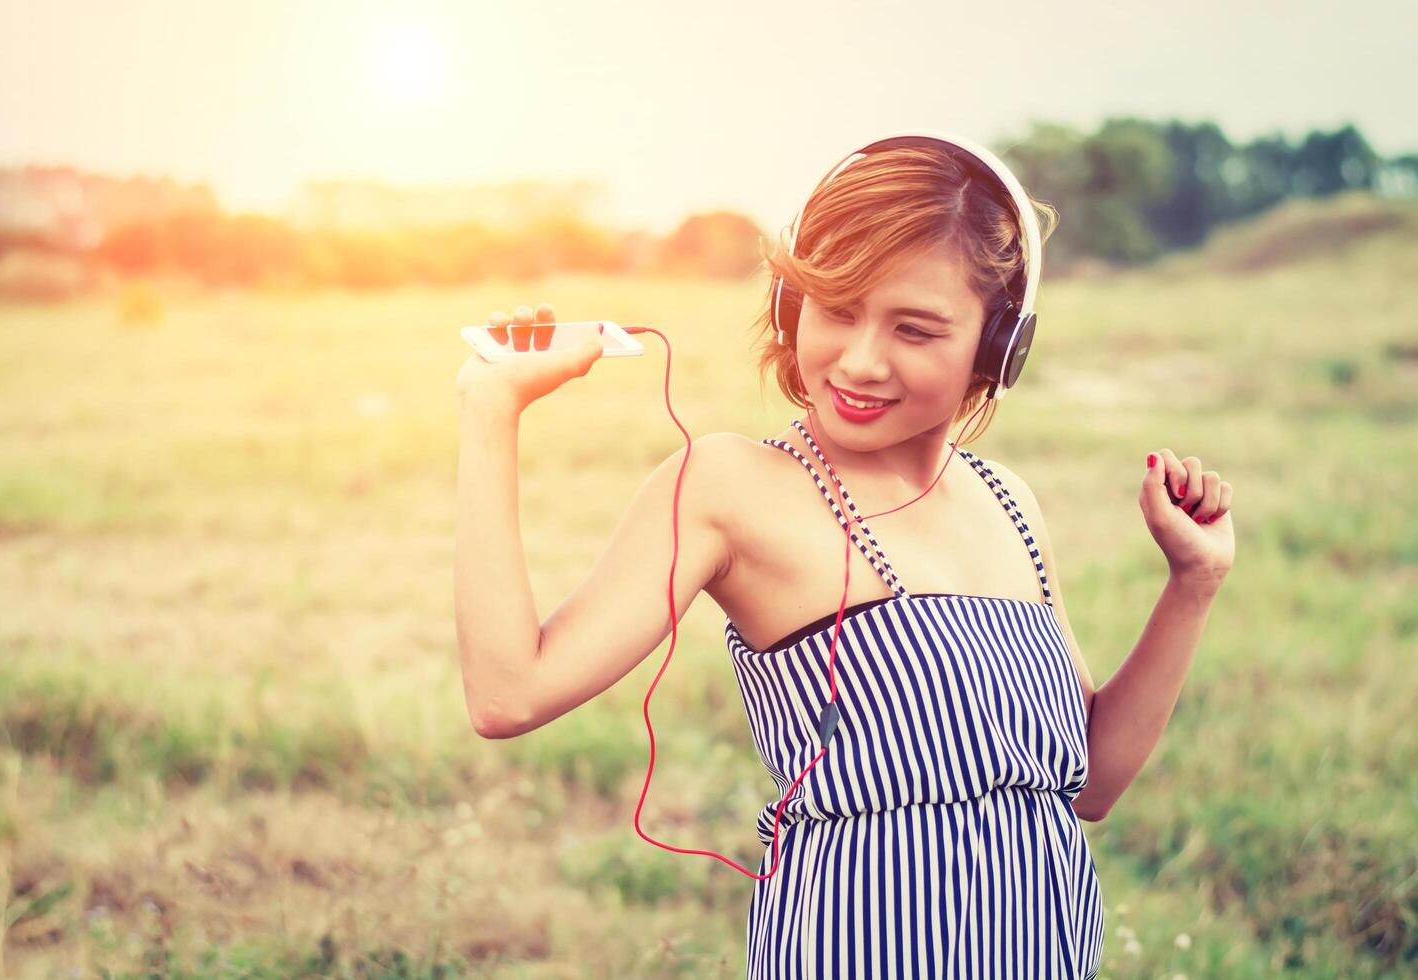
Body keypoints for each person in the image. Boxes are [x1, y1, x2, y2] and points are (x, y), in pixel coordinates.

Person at [454, 137, 1234, 978]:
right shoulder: (729, 485)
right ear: (793, 305)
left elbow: (1090, 786)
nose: (860, 361)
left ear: (999, 344)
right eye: (836, 310)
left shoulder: (1008, 500)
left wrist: (1192, 584)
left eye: (916, 329)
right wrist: (490, 409)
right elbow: (508, 694)